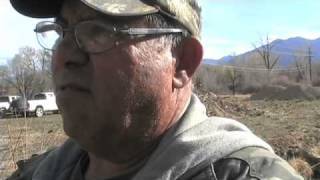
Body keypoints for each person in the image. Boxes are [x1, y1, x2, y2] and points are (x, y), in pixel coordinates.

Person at [8, 0, 303, 179]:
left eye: (98, 31)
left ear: (182, 63)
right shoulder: (39, 172)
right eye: (61, 32)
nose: (65, 56)